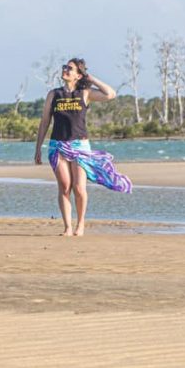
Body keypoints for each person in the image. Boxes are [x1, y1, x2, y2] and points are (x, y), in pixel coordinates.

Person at [34, 58, 132, 236]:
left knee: (79, 187)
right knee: (64, 187)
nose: (65, 70)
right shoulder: (54, 94)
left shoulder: (85, 93)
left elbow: (110, 94)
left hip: (80, 146)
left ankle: (80, 225)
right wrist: (38, 147)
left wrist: (90, 78)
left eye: (69, 68)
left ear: (78, 75)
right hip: (58, 145)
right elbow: (45, 121)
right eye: (64, 67)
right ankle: (67, 227)